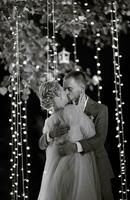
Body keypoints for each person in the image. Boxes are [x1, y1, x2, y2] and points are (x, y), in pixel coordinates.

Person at [39, 71, 115, 200]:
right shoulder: (61, 111)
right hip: (67, 170)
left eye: (69, 89)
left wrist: (75, 147)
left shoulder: (100, 110)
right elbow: (42, 142)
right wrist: (50, 135)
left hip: (97, 165)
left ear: (81, 88)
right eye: (64, 89)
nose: (66, 93)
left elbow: (99, 139)